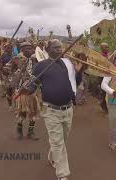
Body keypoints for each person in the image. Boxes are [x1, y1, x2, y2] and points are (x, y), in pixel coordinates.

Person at [21, 39, 84, 180]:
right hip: (51, 111)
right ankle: (62, 174)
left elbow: (76, 82)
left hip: (68, 109)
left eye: (60, 48)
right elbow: (32, 86)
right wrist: (27, 90)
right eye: (55, 48)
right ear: (48, 50)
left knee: (62, 139)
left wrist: (79, 72)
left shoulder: (67, 64)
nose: (59, 50)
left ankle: (52, 157)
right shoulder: (41, 66)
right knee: (57, 142)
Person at [14, 42, 40, 140]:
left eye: (31, 48)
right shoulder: (17, 60)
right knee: (22, 113)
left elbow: (37, 74)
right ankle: (19, 131)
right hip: (22, 91)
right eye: (27, 49)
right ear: (22, 50)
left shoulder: (34, 60)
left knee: (33, 113)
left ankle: (30, 132)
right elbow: (12, 74)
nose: (31, 50)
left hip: (32, 91)